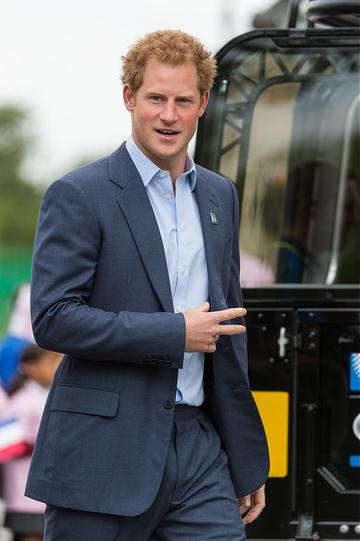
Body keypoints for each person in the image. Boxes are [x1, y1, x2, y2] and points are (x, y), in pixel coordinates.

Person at [25, 30, 269, 540]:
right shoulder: (78, 194)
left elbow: (229, 332)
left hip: (200, 449)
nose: (169, 115)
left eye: (183, 100)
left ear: (203, 103)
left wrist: (245, 459)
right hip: (102, 452)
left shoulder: (220, 196)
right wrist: (173, 333)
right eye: (156, 98)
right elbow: (53, 319)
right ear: (129, 97)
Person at [1, 345, 60, 541]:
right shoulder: (22, 401)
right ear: (32, 367)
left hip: (42, 491)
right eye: (51, 361)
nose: (56, 367)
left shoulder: (45, 395)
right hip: (24, 492)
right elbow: (8, 443)